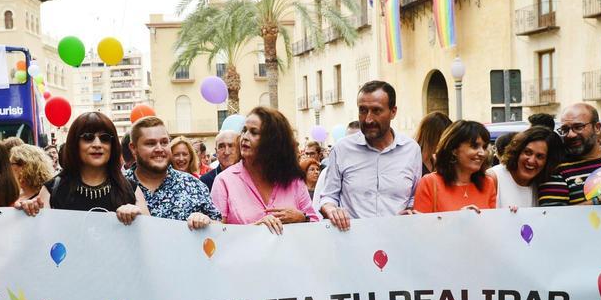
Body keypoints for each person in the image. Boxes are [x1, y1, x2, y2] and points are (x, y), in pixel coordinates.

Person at [317, 81, 423, 230]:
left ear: (393, 112)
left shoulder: (411, 150)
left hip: (397, 241)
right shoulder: (342, 149)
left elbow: (413, 196)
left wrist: (410, 212)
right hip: (353, 242)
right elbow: (328, 196)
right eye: (363, 110)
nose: (368, 119)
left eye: (376, 111)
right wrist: (332, 210)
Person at [212, 107, 318, 234]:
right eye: (244, 130)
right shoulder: (224, 181)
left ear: (273, 141)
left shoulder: (294, 181)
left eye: (254, 132)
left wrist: (302, 218)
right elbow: (216, 234)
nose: (245, 137)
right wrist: (256, 229)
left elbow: (316, 228)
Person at [49, 112, 147, 225]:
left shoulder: (131, 190)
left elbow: (148, 237)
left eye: (104, 138)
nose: (97, 144)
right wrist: (28, 211)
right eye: (88, 137)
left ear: (112, 145)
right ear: (75, 144)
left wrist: (139, 219)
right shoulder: (52, 190)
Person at [126, 116, 220, 228]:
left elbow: (220, 229)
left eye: (164, 142)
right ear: (133, 148)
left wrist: (207, 222)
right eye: (150, 143)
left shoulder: (193, 186)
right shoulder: (117, 186)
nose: (159, 149)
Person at [414, 121, 497, 213]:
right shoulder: (430, 183)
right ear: (454, 150)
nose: (482, 153)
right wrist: (457, 219)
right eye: (474, 146)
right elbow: (421, 226)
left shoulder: (488, 183)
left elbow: (492, 225)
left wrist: (510, 215)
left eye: (484, 147)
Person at [487, 126, 560, 209]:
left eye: (540, 156)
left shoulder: (541, 185)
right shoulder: (493, 178)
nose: (531, 160)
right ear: (517, 151)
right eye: (527, 152)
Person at [8, 144, 54, 209]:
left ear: (24, 167)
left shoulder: (44, 197)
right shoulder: (12, 194)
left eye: (11, 164)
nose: (9, 168)